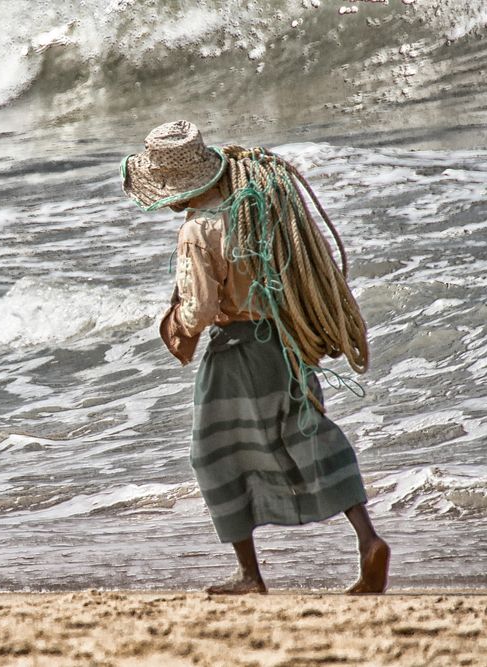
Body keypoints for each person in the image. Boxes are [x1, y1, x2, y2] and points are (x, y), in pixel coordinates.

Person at [120, 120, 390, 595]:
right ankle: (368, 539)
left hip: (237, 352)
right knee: (308, 433)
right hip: (287, 341)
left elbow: (202, 309)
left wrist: (177, 326)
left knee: (214, 453)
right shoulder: (260, 204)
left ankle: (250, 574)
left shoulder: (197, 229)